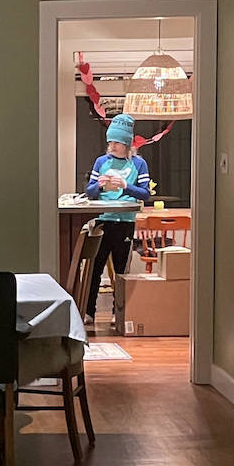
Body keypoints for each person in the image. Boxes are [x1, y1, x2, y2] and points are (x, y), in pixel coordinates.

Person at [82, 112, 150, 318]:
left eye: (117, 142)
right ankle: (88, 312)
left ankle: (118, 313)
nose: (112, 146)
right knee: (95, 269)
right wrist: (100, 186)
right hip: (103, 220)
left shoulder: (138, 164)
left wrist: (126, 186)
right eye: (110, 141)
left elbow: (145, 194)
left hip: (125, 222)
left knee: (121, 271)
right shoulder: (101, 161)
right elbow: (89, 192)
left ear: (127, 144)